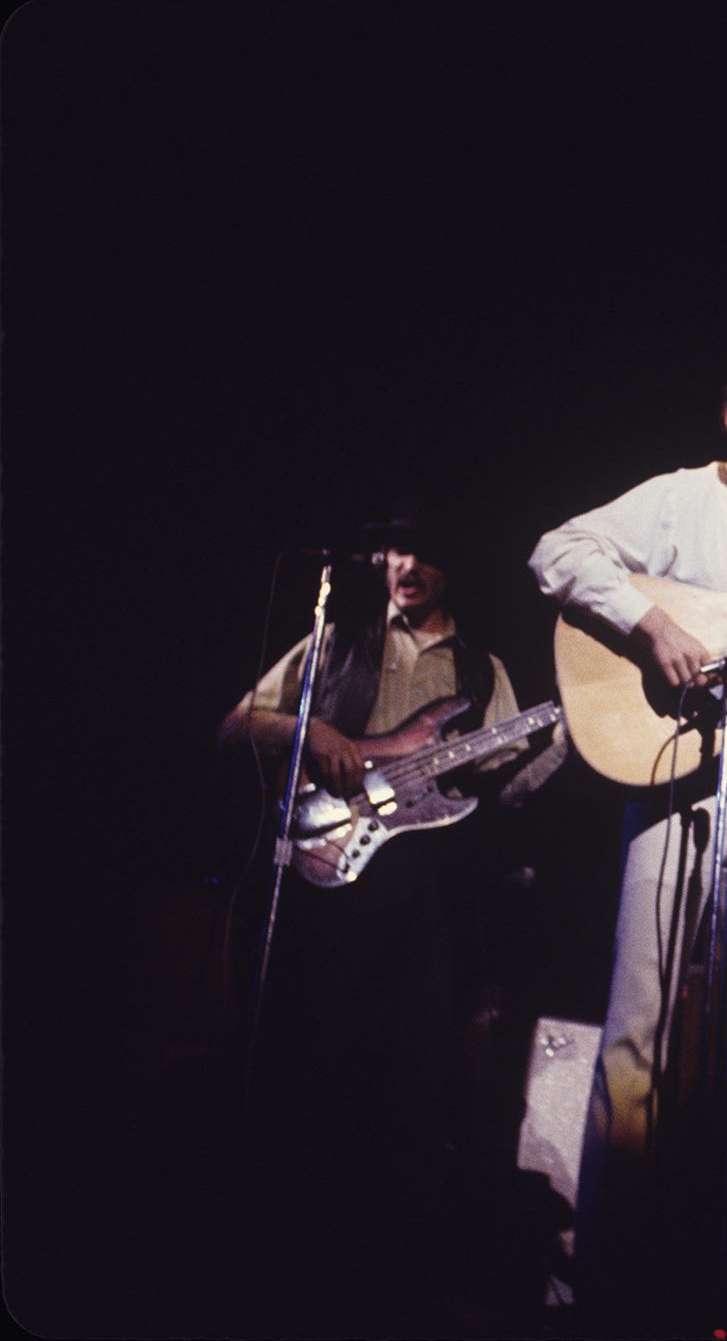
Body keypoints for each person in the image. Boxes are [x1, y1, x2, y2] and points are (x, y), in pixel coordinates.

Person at [526, 342, 727, 1322]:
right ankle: (605, 1282)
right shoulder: (675, 499)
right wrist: (650, 625)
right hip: (670, 782)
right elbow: (556, 552)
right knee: (639, 1033)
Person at [217, 516, 552, 1327]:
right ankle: (294, 1274)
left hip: (428, 895)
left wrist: (558, 750)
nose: (405, 566)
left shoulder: (484, 670)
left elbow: (505, 784)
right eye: (396, 551)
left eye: (423, 554)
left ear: (449, 567)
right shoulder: (337, 641)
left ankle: (394, 1286)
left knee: (414, 1085)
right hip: (328, 880)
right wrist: (319, 731)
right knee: (317, 1075)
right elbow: (237, 725)